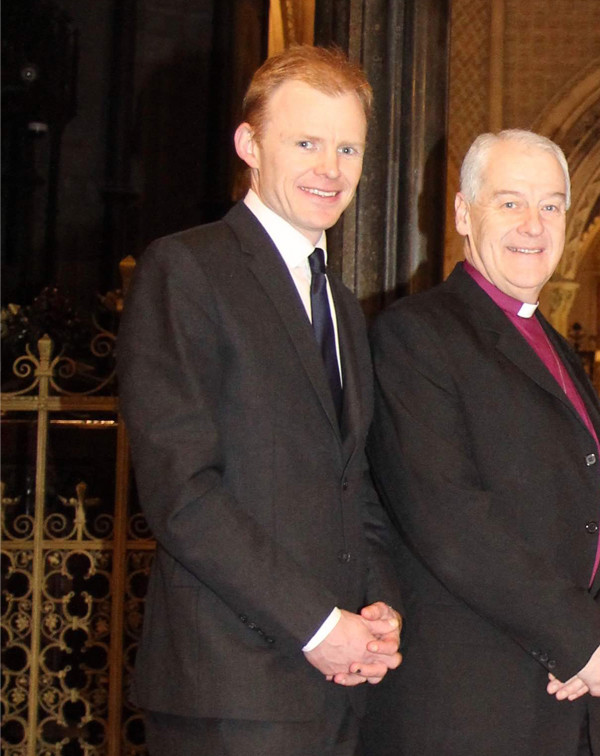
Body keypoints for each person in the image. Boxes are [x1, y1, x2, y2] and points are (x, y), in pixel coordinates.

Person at [118, 45, 403, 755]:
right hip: (231, 690)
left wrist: (378, 605)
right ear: (249, 144)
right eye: (305, 142)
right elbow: (182, 491)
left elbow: (354, 482)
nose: (330, 169)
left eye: (348, 148)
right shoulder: (187, 269)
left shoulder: (339, 303)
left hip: (335, 691)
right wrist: (317, 624)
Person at [359, 129, 600, 756]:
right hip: (471, 704)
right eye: (510, 202)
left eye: (551, 205)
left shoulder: (556, 349)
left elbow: (599, 511)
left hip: (567, 703)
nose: (533, 225)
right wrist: (580, 636)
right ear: (463, 212)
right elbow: (450, 520)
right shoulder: (416, 336)